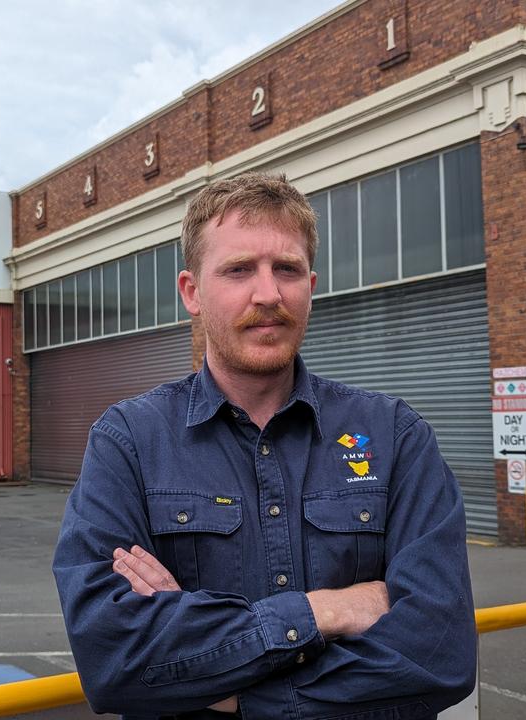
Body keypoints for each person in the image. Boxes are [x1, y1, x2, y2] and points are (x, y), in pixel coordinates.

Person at [52, 172, 476, 719]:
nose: (269, 294)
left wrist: (228, 686)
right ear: (192, 292)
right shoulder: (129, 441)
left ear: (311, 284)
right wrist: (328, 610)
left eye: (287, 270)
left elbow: (440, 653)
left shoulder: (396, 436)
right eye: (238, 270)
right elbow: (115, 661)